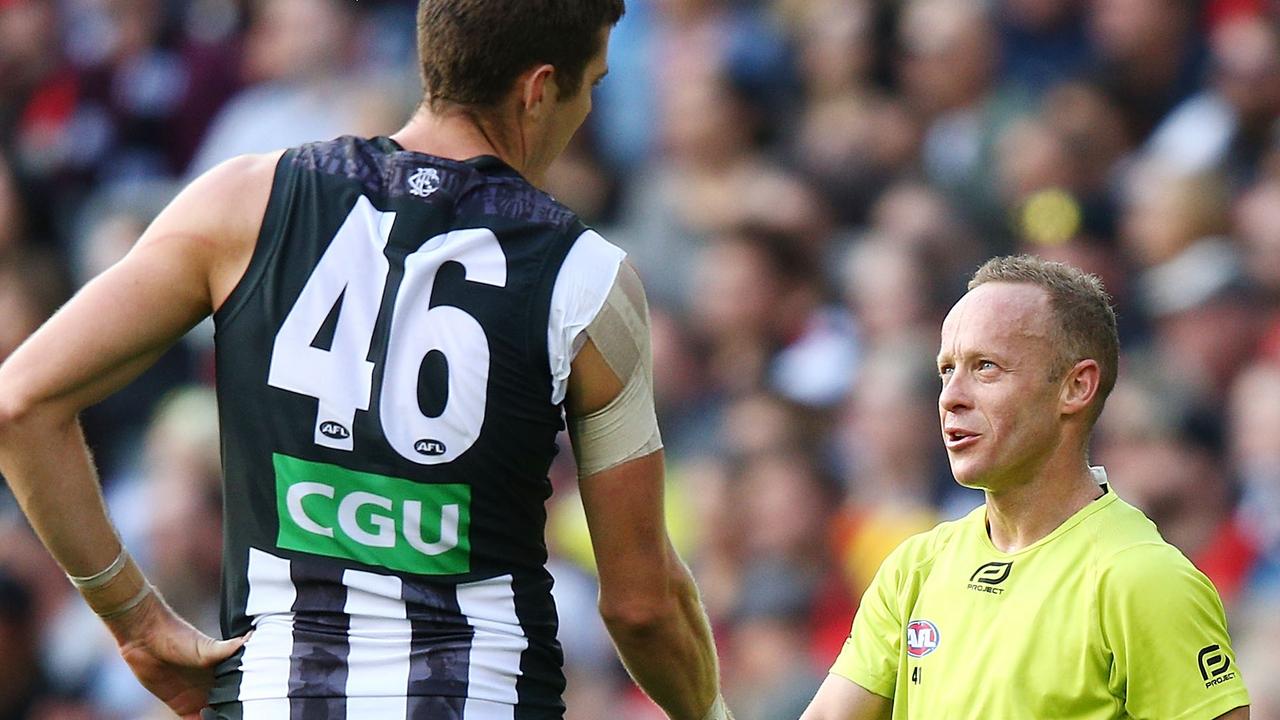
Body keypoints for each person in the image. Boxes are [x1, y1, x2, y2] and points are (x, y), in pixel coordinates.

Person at [0, 1, 734, 718]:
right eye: (593, 86)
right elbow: (641, 605)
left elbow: (20, 404)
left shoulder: (242, 203)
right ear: (539, 89)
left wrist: (136, 620)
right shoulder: (588, 280)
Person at [801, 255, 1251, 720]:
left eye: (986, 367)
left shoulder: (1141, 579)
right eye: (946, 370)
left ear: (1076, 387)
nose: (952, 397)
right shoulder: (915, 569)